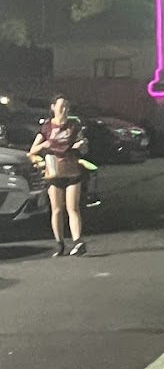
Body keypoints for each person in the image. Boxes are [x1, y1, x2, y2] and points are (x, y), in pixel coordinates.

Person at [30, 95, 89, 257]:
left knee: (73, 208)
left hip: (72, 171)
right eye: (61, 106)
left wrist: (82, 146)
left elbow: (83, 147)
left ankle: (78, 242)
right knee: (57, 209)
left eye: (67, 106)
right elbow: (32, 151)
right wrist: (45, 144)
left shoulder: (74, 126)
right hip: (54, 172)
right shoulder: (47, 127)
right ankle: (60, 244)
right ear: (53, 107)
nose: (64, 109)